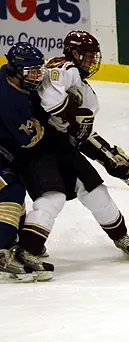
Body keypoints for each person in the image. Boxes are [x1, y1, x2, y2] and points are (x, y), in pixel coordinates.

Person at [14, 30, 129, 279]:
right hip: (37, 145)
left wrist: (108, 156)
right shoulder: (62, 69)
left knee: (95, 190)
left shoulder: (85, 90)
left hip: (62, 146)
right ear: (74, 53)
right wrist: (74, 116)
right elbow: (51, 104)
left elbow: (79, 134)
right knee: (53, 196)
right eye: (89, 56)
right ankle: (26, 250)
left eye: (95, 56)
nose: (93, 61)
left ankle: (120, 235)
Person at [0, 42, 54, 281]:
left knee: (14, 195)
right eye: (29, 71)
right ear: (15, 71)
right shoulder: (10, 100)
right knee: (11, 189)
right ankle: (2, 252)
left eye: (37, 69)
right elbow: (28, 139)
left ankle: (13, 243)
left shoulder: (7, 78)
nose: (36, 75)